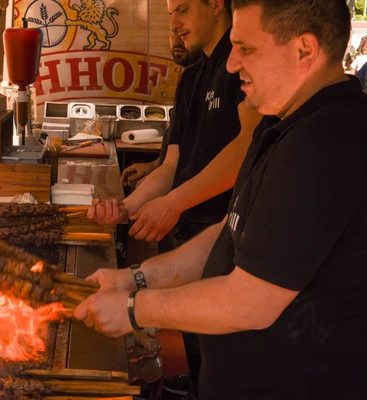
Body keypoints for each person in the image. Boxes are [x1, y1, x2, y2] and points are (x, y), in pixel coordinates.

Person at [76, 1, 367, 399]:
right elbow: (229, 232)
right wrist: (133, 278)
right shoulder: (282, 126)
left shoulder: (325, 144)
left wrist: (134, 309)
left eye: (246, 49)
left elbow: (252, 301)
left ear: (304, 51)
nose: (231, 65)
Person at [90, 0, 262, 395]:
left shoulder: (237, 70)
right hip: (190, 231)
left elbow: (246, 150)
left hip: (228, 227)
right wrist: (128, 208)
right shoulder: (192, 75)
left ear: (216, 6)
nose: (175, 23)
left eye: (182, 10)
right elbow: (172, 164)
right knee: (198, 341)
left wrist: (175, 202)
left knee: (225, 346)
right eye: (170, 14)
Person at [121, 31, 201, 189]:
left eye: (184, 33)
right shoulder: (188, 79)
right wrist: (153, 166)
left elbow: (198, 157)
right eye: (173, 34)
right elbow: (179, 151)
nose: (177, 41)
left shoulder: (205, 83)